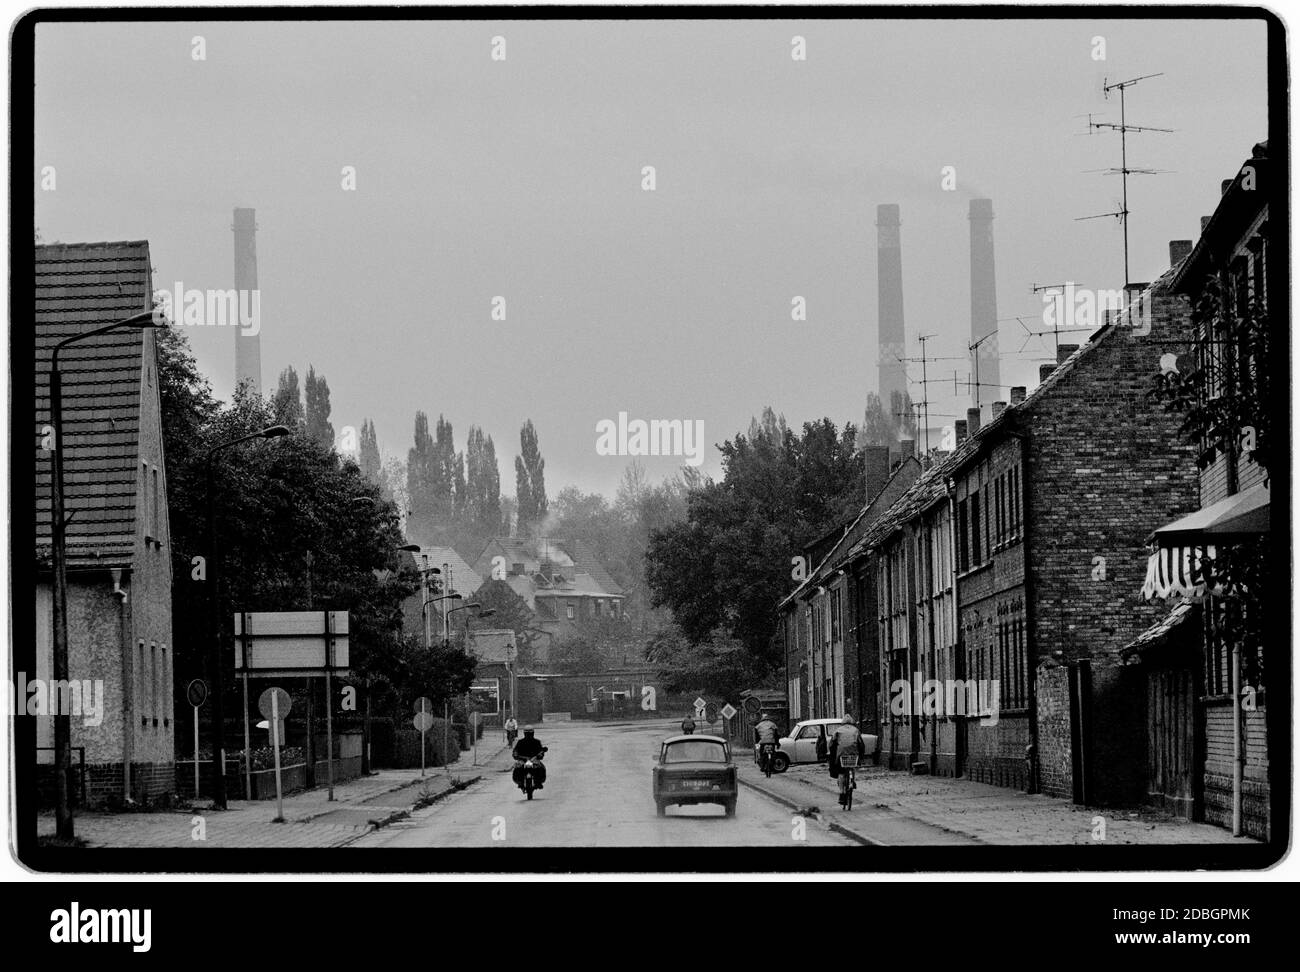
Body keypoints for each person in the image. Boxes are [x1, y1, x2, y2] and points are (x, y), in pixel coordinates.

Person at [828, 715, 866, 807]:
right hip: (853, 755)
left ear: (843, 722)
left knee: (841, 773)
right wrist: (861, 756)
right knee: (852, 766)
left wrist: (832, 755)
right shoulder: (856, 730)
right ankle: (852, 781)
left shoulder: (838, 730)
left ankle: (842, 793)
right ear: (852, 722)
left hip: (841, 756)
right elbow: (861, 744)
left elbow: (831, 744)